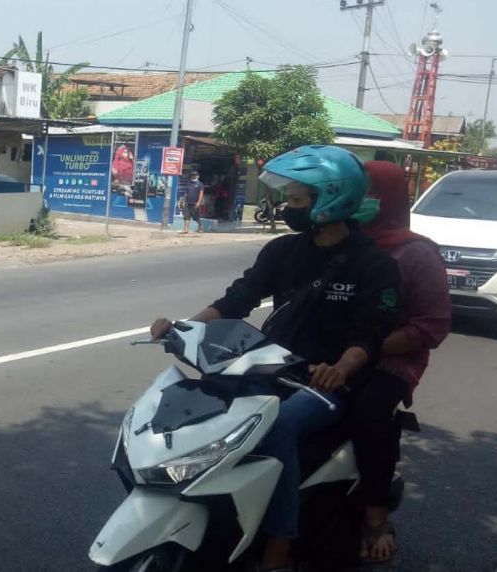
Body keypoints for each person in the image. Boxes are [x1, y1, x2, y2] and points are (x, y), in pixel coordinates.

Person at [150, 145, 400, 572]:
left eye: (297, 199)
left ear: (330, 200)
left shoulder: (372, 264)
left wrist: (340, 368)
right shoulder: (283, 251)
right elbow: (239, 298)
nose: (288, 207)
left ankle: (280, 542)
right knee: (199, 405)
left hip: (323, 383)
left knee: (277, 424)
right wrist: (183, 327)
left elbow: (371, 333)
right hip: (267, 366)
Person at [349, 160, 451, 564]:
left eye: (368, 194)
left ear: (388, 199)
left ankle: (376, 516)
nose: (359, 201)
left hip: (390, 361)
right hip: (329, 352)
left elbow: (432, 326)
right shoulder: (339, 241)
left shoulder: (416, 253)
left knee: (368, 410)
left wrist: (366, 351)